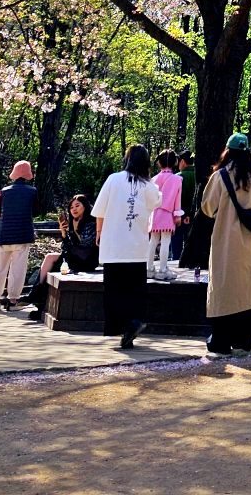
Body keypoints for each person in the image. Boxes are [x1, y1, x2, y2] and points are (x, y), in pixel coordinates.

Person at [201, 132, 251, 357]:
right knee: (247, 291)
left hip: (226, 243)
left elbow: (207, 207)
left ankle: (221, 341)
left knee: (224, 289)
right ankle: (243, 341)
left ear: (228, 152)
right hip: (249, 244)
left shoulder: (220, 176)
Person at [93, 143, 162, 349]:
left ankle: (122, 327)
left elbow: (100, 210)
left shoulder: (113, 179)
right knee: (135, 290)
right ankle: (133, 322)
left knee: (114, 291)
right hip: (136, 247)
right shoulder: (147, 186)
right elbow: (156, 201)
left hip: (114, 246)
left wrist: (99, 233)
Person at [30, 194, 97, 322]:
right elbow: (65, 247)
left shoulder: (91, 223)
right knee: (51, 258)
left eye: (77, 206)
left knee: (57, 264)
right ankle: (36, 292)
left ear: (85, 207)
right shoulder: (72, 222)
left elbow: (86, 245)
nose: (74, 209)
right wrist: (64, 232)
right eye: (71, 207)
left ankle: (38, 300)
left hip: (87, 260)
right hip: (74, 257)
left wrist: (75, 231)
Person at [0, 160, 41, 312]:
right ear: (28, 174)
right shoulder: (33, 191)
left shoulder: (4, 191)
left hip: (3, 234)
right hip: (23, 234)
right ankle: (12, 300)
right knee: (18, 269)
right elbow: (36, 211)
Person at [149, 149, 184, 279]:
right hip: (168, 214)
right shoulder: (177, 179)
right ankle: (163, 270)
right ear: (175, 162)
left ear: (159, 163)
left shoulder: (153, 179)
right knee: (165, 241)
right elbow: (177, 199)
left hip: (154, 213)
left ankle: (149, 268)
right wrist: (177, 215)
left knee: (153, 241)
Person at [171, 150, 197, 260]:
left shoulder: (178, 177)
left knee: (176, 241)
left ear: (182, 161)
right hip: (193, 214)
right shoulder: (198, 175)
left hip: (178, 214)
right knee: (190, 242)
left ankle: (176, 261)